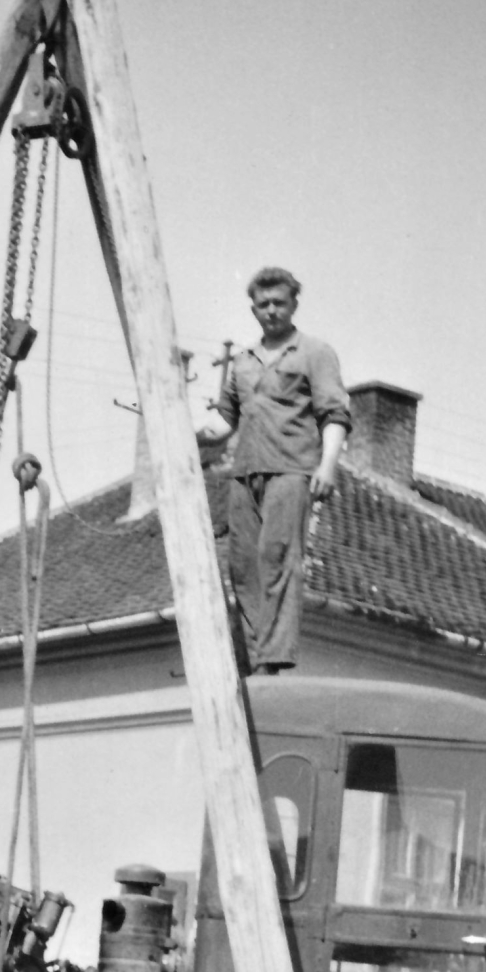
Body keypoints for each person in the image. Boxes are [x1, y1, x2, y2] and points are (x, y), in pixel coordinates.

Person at [210, 267, 351, 674]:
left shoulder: (314, 352)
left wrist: (327, 465)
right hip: (245, 473)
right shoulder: (242, 361)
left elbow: (334, 413)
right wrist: (183, 428)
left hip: (291, 469)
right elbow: (223, 423)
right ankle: (257, 658)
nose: (271, 310)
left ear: (293, 305)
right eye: (263, 304)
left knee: (278, 557)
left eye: (279, 303)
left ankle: (274, 658)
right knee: (243, 565)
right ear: (253, 308)